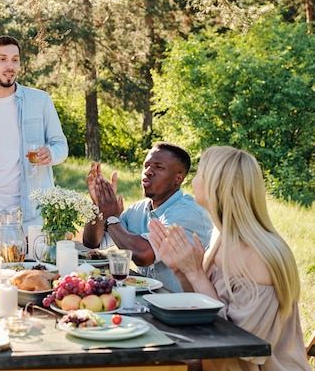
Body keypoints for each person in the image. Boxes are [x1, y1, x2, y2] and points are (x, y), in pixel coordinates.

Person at [148, 146, 310, 371]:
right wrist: (180, 270)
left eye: (200, 173)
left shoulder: (258, 256)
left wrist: (196, 273)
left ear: (216, 186)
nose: (193, 180)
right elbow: (204, 305)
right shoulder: (221, 236)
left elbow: (237, 344)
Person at [0, 35, 68, 234]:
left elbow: (60, 144)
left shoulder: (40, 100)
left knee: (34, 267)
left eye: (15, 59)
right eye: (2, 59)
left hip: (32, 213)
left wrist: (51, 154)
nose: (10, 65)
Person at [82, 142, 213, 292]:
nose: (148, 171)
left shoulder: (187, 213)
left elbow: (143, 255)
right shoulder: (138, 209)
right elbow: (92, 242)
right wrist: (99, 207)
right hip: (150, 299)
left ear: (178, 178)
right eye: (146, 166)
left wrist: (111, 218)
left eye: (159, 167)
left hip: (186, 305)